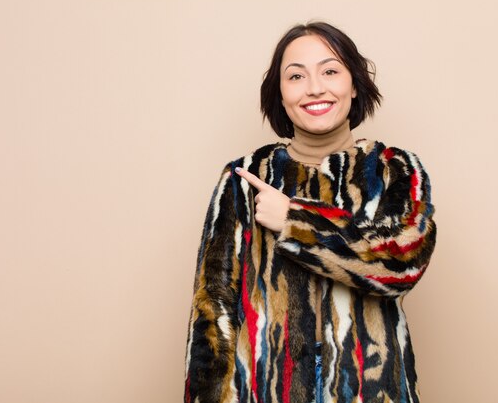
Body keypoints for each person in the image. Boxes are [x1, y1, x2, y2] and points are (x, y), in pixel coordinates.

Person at [183, 21, 437, 403]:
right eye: (296, 76)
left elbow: (403, 263)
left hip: (372, 390)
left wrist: (294, 221)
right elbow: (212, 311)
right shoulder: (245, 177)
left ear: (354, 84)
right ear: (280, 93)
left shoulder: (394, 169)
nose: (315, 88)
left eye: (330, 71)